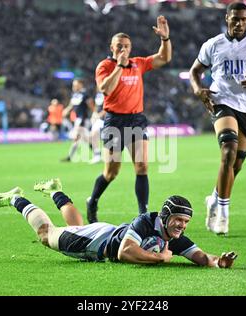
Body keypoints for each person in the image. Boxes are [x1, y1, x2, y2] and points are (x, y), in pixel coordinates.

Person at [0, 178, 238, 267]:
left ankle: (55, 191)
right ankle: (17, 199)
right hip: (98, 243)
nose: (182, 226)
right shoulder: (145, 222)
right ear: (165, 215)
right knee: (46, 234)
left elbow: (202, 257)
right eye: (178, 220)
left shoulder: (174, 237)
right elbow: (124, 252)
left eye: (186, 222)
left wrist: (219, 262)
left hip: (105, 232)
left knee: (74, 225)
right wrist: (160, 258)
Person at [189, 2, 246, 235]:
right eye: (235, 19)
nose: (239, 23)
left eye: (244, 20)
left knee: (237, 163)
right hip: (221, 102)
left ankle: (214, 198)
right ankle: (223, 214)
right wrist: (198, 89)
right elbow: (195, 72)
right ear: (227, 18)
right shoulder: (213, 45)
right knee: (228, 151)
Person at [87, 15, 172, 223]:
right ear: (112, 47)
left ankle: (143, 214)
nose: (123, 49)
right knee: (111, 172)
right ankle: (93, 200)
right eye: (119, 46)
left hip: (136, 120)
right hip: (114, 121)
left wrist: (165, 39)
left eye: (126, 46)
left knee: (142, 166)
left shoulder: (138, 64)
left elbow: (164, 58)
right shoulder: (105, 66)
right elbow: (105, 88)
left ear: (131, 47)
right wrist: (119, 66)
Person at [61, 79, 93, 162]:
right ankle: (97, 153)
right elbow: (71, 105)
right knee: (85, 138)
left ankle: (70, 156)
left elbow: (91, 105)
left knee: (77, 137)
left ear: (81, 85)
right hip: (77, 119)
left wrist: (94, 114)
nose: (73, 87)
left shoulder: (85, 94)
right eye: (73, 85)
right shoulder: (75, 95)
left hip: (83, 119)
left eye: (75, 85)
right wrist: (66, 110)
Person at [88, 91, 106, 164]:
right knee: (91, 136)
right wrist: (94, 114)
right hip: (99, 119)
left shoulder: (108, 92)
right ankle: (97, 155)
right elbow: (96, 106)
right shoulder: (98, 94)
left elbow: (110, 105)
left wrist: (100, 114)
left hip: (108, 118)